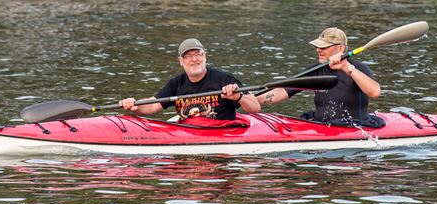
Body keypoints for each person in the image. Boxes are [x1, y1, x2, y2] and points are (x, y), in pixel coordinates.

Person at [257, 27, 385, 128]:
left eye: (324, 47)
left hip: (354, 127)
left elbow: (375, 92)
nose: (318, 50)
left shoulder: (358, 68)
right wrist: (251, 99)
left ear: (340, 48)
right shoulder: (316, 70)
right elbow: (283, 91)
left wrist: (347, 67)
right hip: (321, 126)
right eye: (317, 46)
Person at [119, 38, 260, 125]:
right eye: (187, 56)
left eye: (198, 54)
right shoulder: (176, 83)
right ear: (180, 61)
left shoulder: (224, 79)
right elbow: (151, 106)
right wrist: (135, 106)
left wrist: (238, 97)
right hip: (189, 132)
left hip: (221, 133)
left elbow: (255, 108)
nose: (193, 60)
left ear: (205, 57)